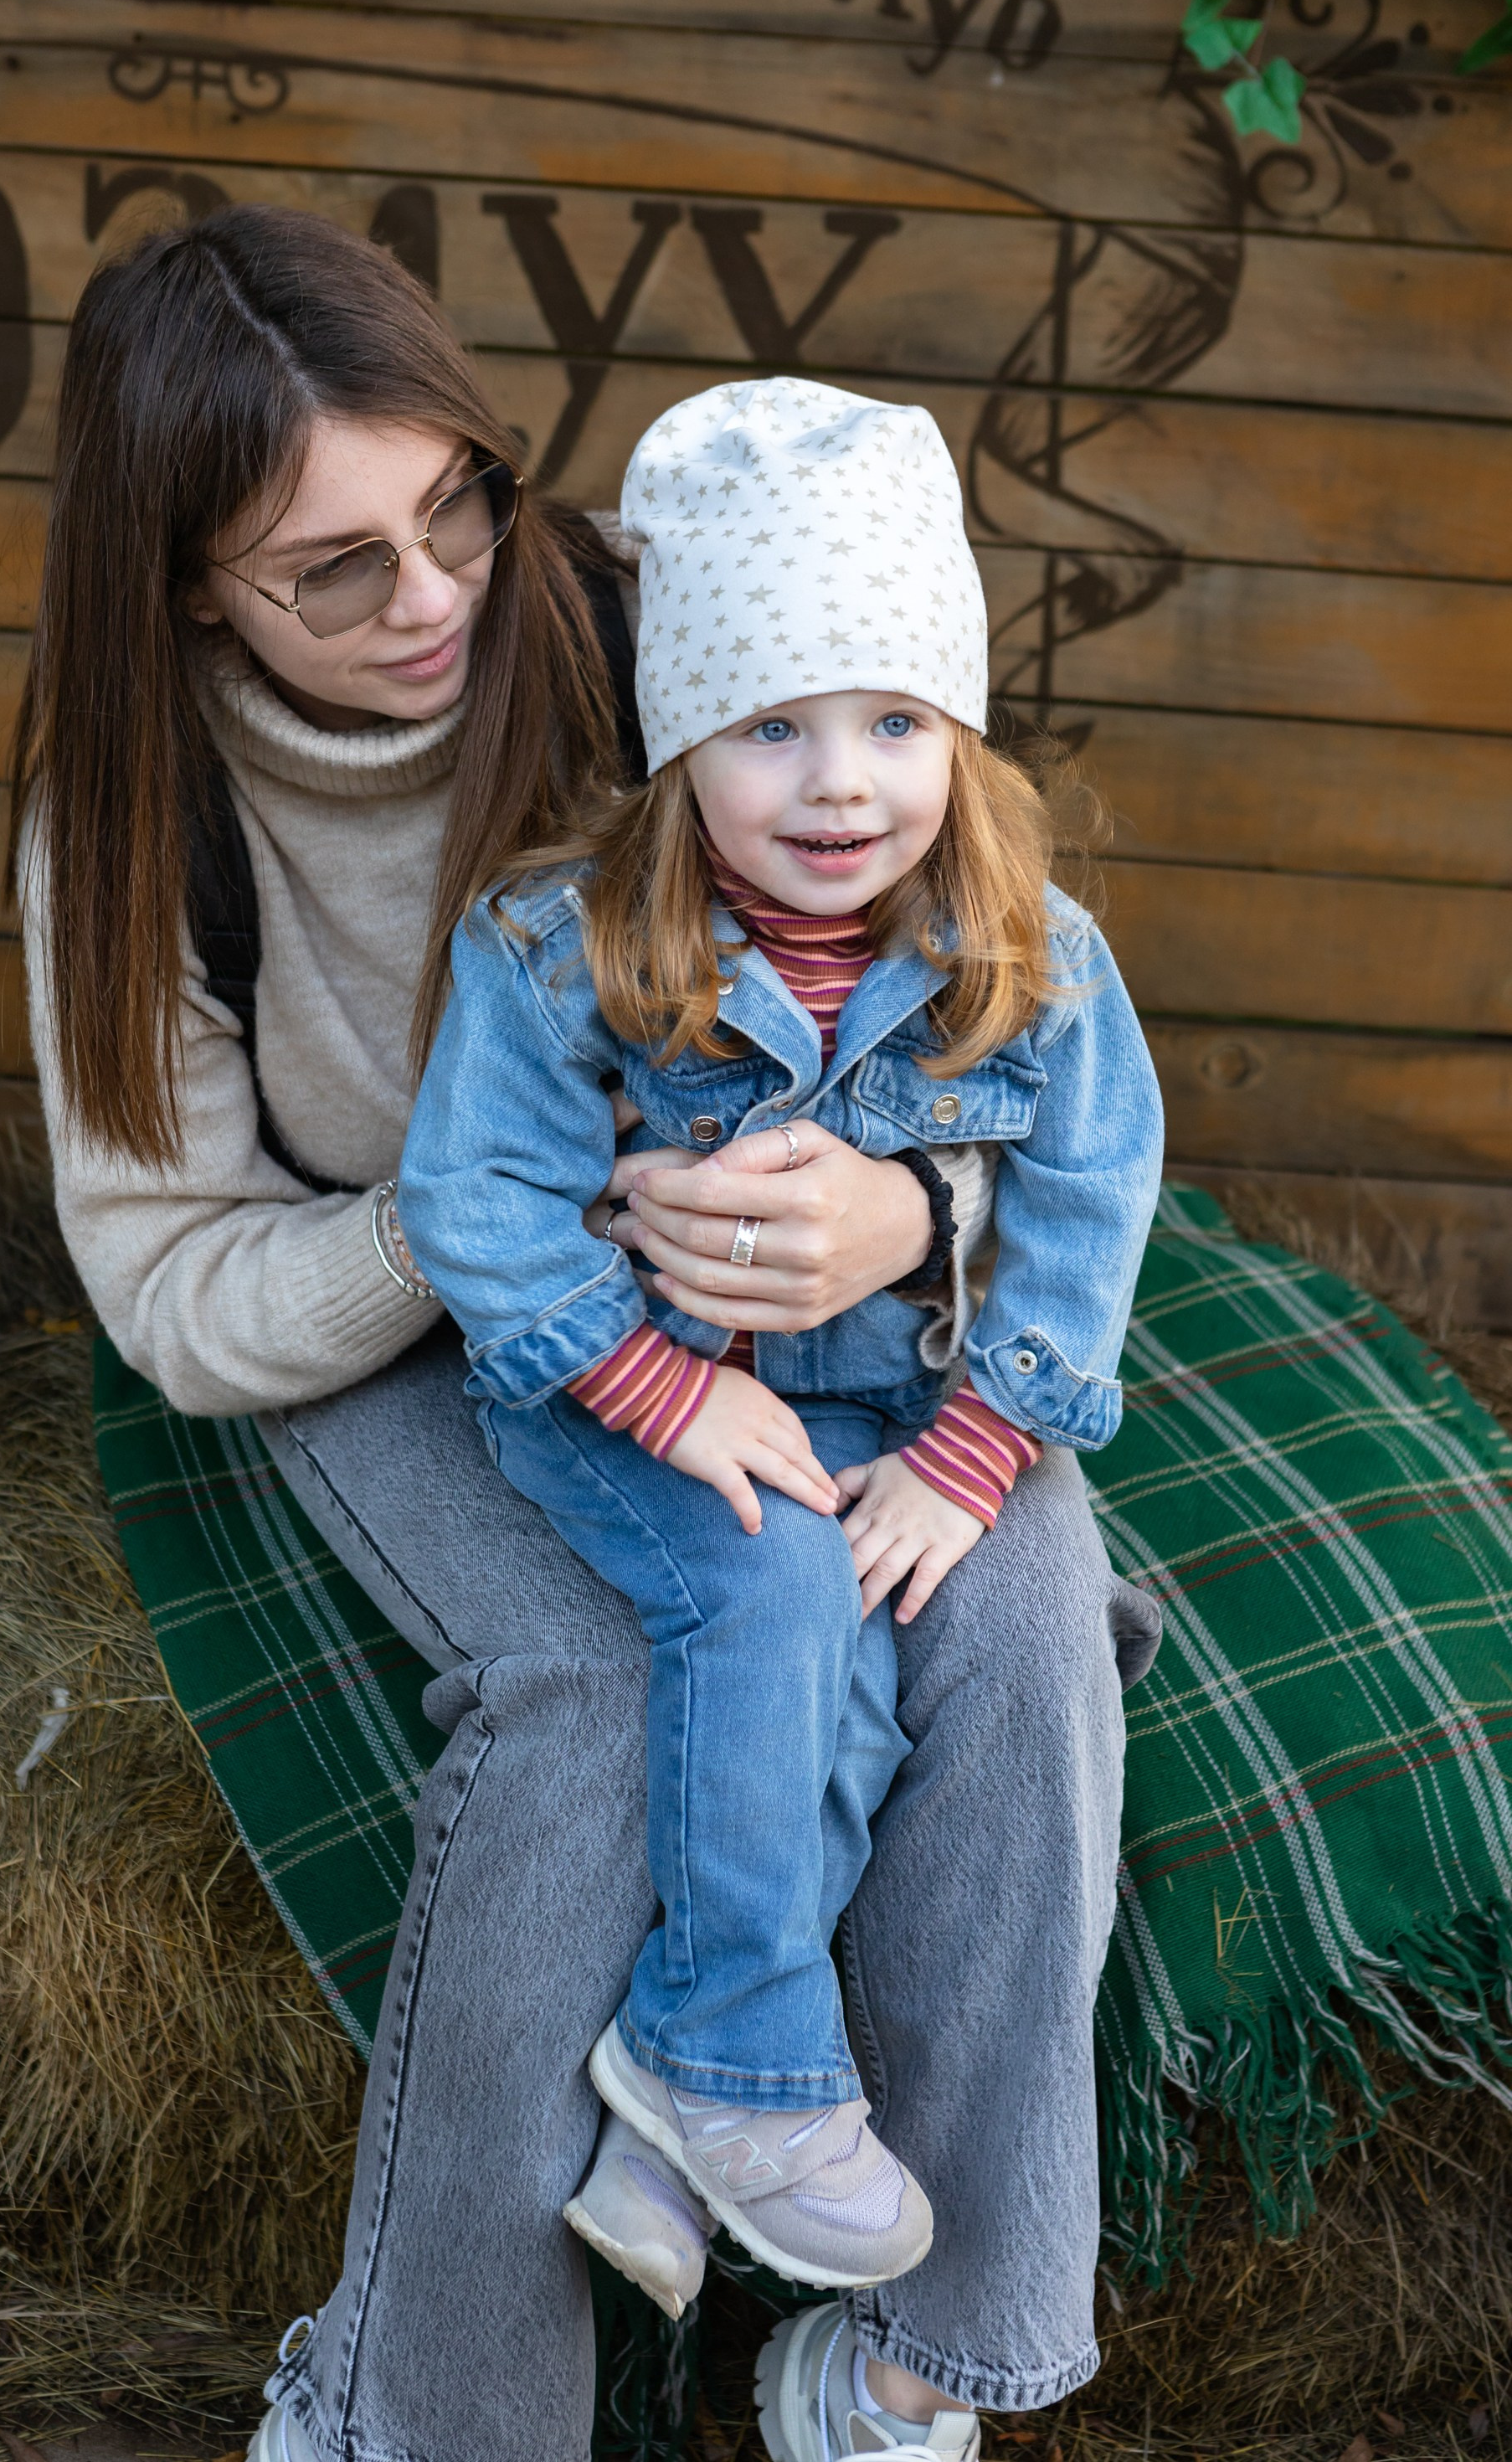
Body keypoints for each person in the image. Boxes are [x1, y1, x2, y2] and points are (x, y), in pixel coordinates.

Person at [11, 204, 1161, 2462]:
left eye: (456, 505)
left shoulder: (693, 639)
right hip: (419, 1329)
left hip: (831, 1309)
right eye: (332, 570)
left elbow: (1007, 1029)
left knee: (1016, 1612)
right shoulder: (136, 832)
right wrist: (505, 1230)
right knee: (597, 1688)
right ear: (183, 586)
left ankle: (940, 2352)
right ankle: (427, 2417)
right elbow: (174, 1280)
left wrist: (910, 1213)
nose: (432, 596)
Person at [396, 375, 1164, 2362]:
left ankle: (668, 2105)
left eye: (895, 719)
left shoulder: (1037, 957)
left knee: (851, 1668)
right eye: (770, 727)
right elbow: (473, 1198)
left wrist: (982, 1443)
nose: (841, 785)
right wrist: (656, 1389)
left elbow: (1085, 1207)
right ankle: (744, 2059)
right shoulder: (563, 946)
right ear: (682, 750)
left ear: (960, 733)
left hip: (906, 1402)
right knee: (757, 1586)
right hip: (637, 1388)